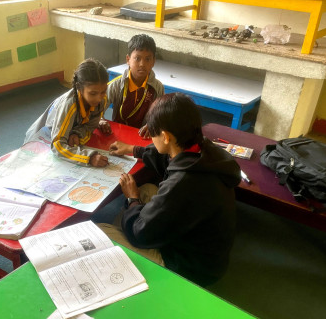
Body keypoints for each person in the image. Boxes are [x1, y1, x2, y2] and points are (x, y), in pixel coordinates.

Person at [103, 93, 241, 286]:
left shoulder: (183, 183)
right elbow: (167, 158)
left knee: (103, 232)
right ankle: (127, 222)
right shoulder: (203, 149)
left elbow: (140, 234)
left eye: (152, 133)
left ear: (166, 136)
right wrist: (133, 150)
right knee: (150, 189)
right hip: (206, 251)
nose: (151, 137)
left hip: (189, 268)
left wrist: (132, 199)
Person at [24, 58, 111, 167]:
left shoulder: (102, 100)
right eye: (93, 93)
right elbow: (57, 146)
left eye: (103, 91)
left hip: (67, 132)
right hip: (44, 137)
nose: (99, 98)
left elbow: (90, 127)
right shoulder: (70, 105)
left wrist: (77, 133)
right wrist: (89, 158)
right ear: (79, 88)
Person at [99, 34, 164, 138]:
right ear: (128, 59)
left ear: (153, 61)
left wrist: (153, 125)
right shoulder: (116, 85)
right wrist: (100, 120)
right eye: (137, 58)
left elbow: (160, 116)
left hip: (142, 137)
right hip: (117, 134)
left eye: (147, 59)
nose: (142, 64)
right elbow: (97, 109)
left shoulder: (158, 88)